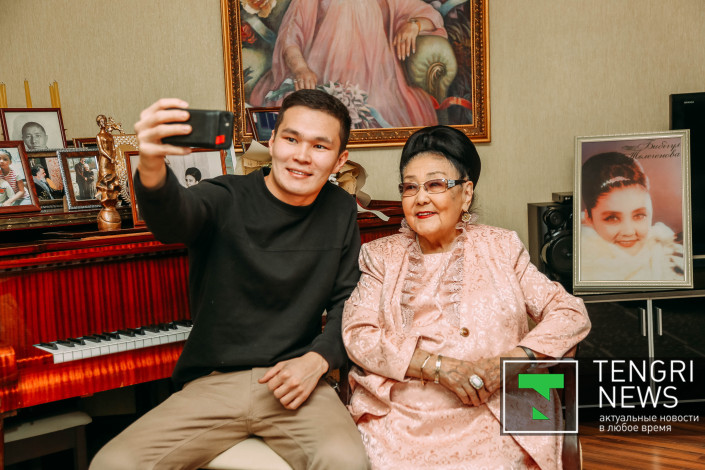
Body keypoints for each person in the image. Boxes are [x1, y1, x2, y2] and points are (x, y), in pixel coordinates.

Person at [89, 89, 370, 470]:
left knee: (345, 461)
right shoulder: (224, 196)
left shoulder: (340, 208)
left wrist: (317, 360)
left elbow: (347, 302)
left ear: (340, 160)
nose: (302, 156)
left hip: (295, 382)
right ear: (272, 142)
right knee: (114, 463)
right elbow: (173, 220)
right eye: (291, 139)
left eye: (319, 146)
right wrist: (152, 163)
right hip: (214, 382)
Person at [342, 126, 591, 469]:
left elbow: (569, 313)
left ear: (466, 193)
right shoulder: (380, 255)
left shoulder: (501, 246)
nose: (420, 197)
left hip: (499, 401)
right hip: (402, 411)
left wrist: (508, 363)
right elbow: (359, 334)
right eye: (410, 187)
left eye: (435, 184)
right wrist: (438, 367)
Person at [249, 0, 447, 128]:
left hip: (377, 87)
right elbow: (291, 35)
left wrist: (414, 25)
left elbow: (430, 15)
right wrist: (300, 68)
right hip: (322, 79)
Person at [580, 152, 684, 281]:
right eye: (612, 218)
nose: (628, 232)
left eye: (639, 215)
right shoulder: (582, 267)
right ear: (589, 218)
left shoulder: (669, 258)